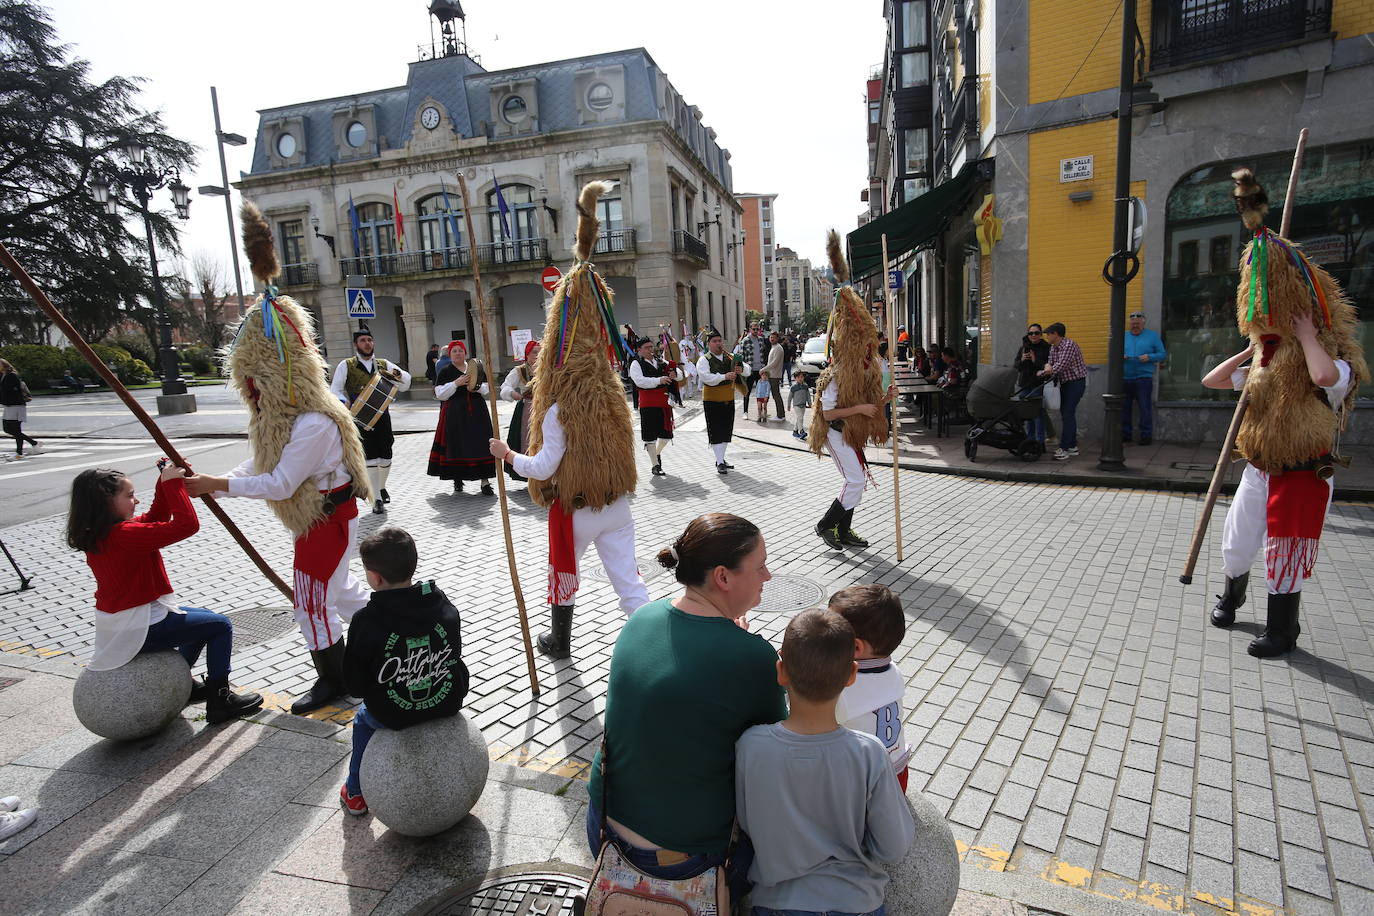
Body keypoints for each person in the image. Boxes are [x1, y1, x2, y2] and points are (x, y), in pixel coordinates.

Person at [185, 201, 373, 715]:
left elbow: (282, 483)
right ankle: (392, 627)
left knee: (311, 603)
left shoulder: (311, 422)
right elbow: (263, 464)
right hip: (323, 521)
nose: (253, 396)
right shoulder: (288, 419)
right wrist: (214, 479)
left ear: (275, 380)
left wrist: (217, 487)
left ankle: (335, 681)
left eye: (257, 385)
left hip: (326, 521)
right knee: (343, 593)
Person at [1202, 167, 1367, 658]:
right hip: (1259, 466)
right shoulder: (1266, 360)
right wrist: (1250, 348)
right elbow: (1213, 381)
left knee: (1287, 551)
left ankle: (1282, 631)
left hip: (1303, 473)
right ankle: (1231, 595)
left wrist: (1310, 336)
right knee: (1238, 542)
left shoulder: (1339, 361)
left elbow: (1322, 378)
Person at [587, 513, 785, 905]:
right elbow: (772, 754)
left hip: (603, 828)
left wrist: (731, 638)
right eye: (760, 566)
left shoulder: (641, 617)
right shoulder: (752, 658)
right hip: (684, 860)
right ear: (723, 578)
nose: (769, 576)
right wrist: (740, 646)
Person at [489, 181, 648, 660]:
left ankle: (559, 640)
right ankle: (652, 639)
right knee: (628, 580)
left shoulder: (560, 407)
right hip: (616, 505)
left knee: (563, 573)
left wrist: (509, 454)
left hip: (576, 511)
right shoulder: (611, 397)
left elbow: (544, 466)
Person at [736, 608, 914, 915]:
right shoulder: (869, 753)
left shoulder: (751, 745)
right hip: (857, 902)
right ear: (851, 675)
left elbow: (749, 822)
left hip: (777, 903)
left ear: (781, 671)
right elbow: (893, 847)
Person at [69, 464, 263, 723]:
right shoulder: (125, 535)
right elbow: (187, 525)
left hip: (125, 624)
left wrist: (164, 480)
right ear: (104, 502)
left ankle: (187, 683)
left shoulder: (102, 532)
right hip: (141, 627)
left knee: (203, 619)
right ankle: (221, 698)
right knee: (219, 625)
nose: (136, 500)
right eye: (129, 495)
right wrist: (173, 486)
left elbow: (155, 516)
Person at [339, 527, 469, 815]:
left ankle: (356, 792)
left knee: (361, 720)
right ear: (413, 564)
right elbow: (455, 654)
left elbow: (356, 687)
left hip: (392, 713)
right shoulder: (441, 603)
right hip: (446, 702)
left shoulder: (366, 620)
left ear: (375, 577)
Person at [810, 230, 896, 551]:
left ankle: (843, 531)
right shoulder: (834, 375)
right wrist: (860, 410)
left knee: (856, 480)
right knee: (855, 480)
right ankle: (825, 525)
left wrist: (887, 398)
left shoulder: (867, 368)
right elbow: (828, 412)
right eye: (864, 345)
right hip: (835, 430)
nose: (868, 350)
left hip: (852, 432)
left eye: (870, 345)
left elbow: (871, 401)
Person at [830, 585, 912, 790]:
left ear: (856, 647)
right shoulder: (894, 670)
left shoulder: (843, 687)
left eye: (830, 630)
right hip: (899, 772)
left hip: (866, 785)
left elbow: (807, 718)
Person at [330, 329, 413, 515]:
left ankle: (381, 486)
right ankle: (376, 498)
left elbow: (406, 383)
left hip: (382, 416)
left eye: (369, 340)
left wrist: (399, 375)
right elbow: (335, 389)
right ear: (355, 344)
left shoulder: (383, 364)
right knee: (369, 457)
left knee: (386, 456)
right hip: (359, 417)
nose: (367, 343)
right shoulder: (347, 365)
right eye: (362, 340)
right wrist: (344, 403)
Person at [427, 340, 495, 496]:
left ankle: (485, 481)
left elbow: (486, 389)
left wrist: (474, 385)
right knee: (456, 445)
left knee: (481, 444)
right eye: (454, 351)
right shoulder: (445, 371)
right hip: (455, 414)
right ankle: (457, 478)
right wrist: (456, 383)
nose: (458, 353)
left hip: (477, 413)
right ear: (450, 354)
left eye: (460, 351)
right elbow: (439, 394)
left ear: (465, 353)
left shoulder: (475, 368)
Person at [628, 337, 679, 477]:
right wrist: (659, 380)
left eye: (651, 347)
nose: (651, 349)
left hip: (663, 403)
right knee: (650, 436)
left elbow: (679, 375)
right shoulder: (635, 364)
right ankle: (655, 465)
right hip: (648, 403)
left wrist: (675, 374)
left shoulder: (660, 361)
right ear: (639, 350)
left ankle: (656, 454)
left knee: (666, 435)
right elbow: (640, 381)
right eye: (647, 347)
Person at [697, 331, 744, 475]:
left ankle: (720, 459)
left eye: (720, 341)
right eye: (715, 341)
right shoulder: (704, 360)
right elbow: (706, 377)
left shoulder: (729, 357)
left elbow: (745, 369)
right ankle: (720, 462)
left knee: (726, 430)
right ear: (708, 344)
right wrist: (724, 376)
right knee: (716, 430)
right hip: (712, 399)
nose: (718, 343)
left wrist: (741, 369)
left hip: (728, 398)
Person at [1039, 323, 1087, 460]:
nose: (1047, 336)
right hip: (1066, 383)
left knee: (1067, 413)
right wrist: (1047, 367)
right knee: (1067, 414)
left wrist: (1041, 372)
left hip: (1076, 383)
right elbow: (1050, 362)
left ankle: (1065, 448)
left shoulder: (1069, 345)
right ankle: (1072, 447)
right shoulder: (1054, 347)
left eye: (1049, 334)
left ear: (1056, 334)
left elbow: (1059, 366)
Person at [1122, 310, 1167, 445]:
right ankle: (1126, 435)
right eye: (1133, 324)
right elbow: (1112, 351)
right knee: (1125, 408)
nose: (1135, 326)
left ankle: (1146, 436)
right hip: (1126, 377)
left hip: (1144, 377)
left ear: (1143, 323)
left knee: (1145, 408)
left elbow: (1162, 354)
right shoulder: (1124, 336)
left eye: (1138, 324)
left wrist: (1149, 357)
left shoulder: (1152, 336)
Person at [500, 341, 540, 483]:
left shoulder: (548, 368)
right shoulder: (520, 370)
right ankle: (529, 474)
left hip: (546, 409)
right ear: (527, 354)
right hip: (526, 410)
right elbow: (505, 386)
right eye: (534, 352)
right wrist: (512, 393)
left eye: (540, 351)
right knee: (526, 440)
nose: (537, 355)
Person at [0, 358, 41, 461]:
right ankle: (33, 443)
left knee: (16, 429)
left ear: (4, 365)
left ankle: (19, 453)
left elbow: (13, 390)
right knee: (7, 428)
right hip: (9, 406)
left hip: (17, 405)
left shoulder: (12, 375)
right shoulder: (3, 375)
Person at [737, 324, 768, 417]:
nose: (755, 331)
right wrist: (742, 369)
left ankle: (761, 410)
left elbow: (764, 353)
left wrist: (764, 367)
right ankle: (745, 412)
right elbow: (742, 357)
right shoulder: (745, 341)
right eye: (754, 329)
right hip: (749, 370)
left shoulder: (761, 339)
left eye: (757, 329)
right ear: (750, 329)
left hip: (760, 370)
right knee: (747, 391)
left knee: (761, 391)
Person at [764, 331, 786, 419]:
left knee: (776, 395)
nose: (772, 339)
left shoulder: (778, 348)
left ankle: (780, 415)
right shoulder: (774, 347)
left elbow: (774, 363)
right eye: (770, 337)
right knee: (775, 395)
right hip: (771, 374)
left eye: (773, 337)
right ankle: (780, 414)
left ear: (777, 338)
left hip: (775, 375)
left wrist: (763, 369)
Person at [789, 370, 812, 440]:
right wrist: (788, 405)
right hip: (796, 405)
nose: (800, 378)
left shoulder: (805, 386)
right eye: (798, 377)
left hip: (803, 405)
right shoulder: (793, 387)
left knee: (799, 418)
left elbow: (808, 395)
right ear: (795, 378)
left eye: (801, 377)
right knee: (800, 417)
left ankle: (795, 431)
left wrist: (810, 403)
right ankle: (801, 431)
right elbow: (790, 397)